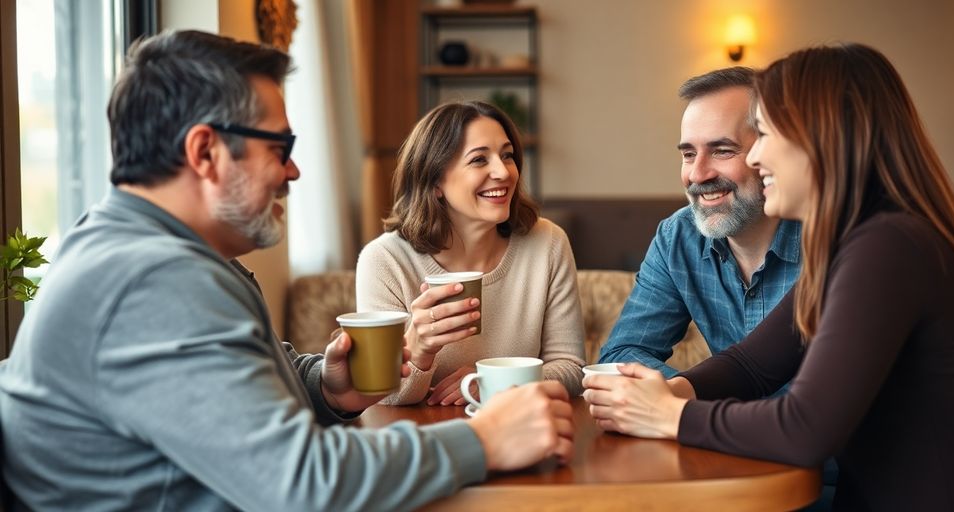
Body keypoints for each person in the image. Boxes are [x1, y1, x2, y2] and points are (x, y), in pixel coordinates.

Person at [0, 30, 574, 511]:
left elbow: (245, 389)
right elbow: (303, 484)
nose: (294, 170)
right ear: (205, 152)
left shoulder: (161, 256)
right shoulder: (150, 282)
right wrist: (483, 439)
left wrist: (328, 385)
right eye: (279, 146)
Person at [583, 43, 954, 510]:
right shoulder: (858, 241)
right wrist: (671, 392)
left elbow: (804, 429)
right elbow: (752, 365)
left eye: (765, 135)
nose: (756, 158)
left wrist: (670, 414)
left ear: (823, 139)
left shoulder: (889, 245)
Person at [356, 101, 586, 406]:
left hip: (519, 427)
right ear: (435, 182)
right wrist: (420, 351)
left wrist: (497, 383)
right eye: (479, 159)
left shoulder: (547, 243)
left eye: (507, 155)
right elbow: (381, 396)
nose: (503, 172)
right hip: (420, 433)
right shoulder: (385, 260)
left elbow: (572, 368)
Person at [597, 67, 801, 380]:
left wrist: (688, 397)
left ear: (770, 153)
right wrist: (685, 395)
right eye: (689, 154)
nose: (697, 174)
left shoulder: (829, 238)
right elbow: (622, 354)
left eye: (722, 151)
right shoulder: (678, 237)